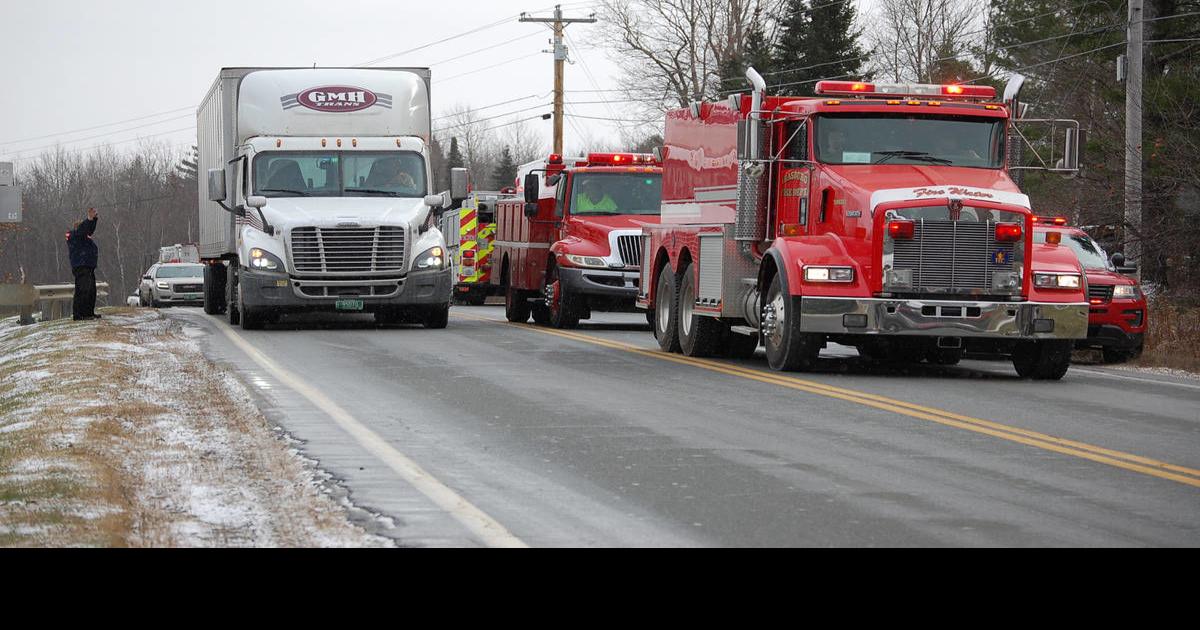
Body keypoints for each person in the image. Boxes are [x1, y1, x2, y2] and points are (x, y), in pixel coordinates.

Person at [66, 207, 100, 320]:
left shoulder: (85, 238)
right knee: (83, 290)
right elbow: (83, 230)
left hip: (89, 267)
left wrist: (93, 220)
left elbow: (89, 230)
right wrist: (89, 219)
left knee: (91, 291)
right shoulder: (74, 236)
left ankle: (89, 312)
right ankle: (79, 314)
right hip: (81, 266)